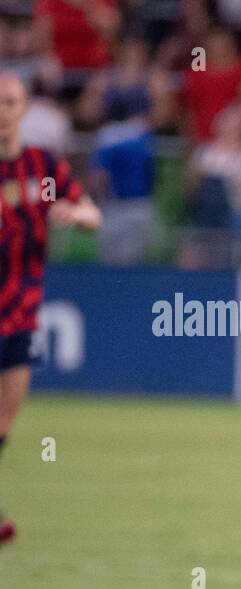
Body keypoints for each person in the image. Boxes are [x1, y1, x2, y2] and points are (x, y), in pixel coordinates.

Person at [0, 72, 101, 545]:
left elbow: (91, 213)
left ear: (24, 109)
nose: (2, 109)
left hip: (20, 311)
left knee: (4, 423)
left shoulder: (42, 166)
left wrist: (74, 214)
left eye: (10, 101)